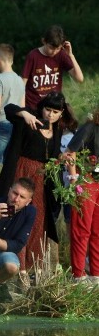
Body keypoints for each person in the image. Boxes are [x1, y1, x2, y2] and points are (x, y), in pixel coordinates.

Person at [0, 92, 77, 272]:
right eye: (48, 110)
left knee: (38, 219)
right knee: (16, 214)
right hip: (22, 172)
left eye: (55, 112)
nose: (50, 114)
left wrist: (61, 158)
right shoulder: (29, 120)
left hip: (42, 178)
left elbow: (51, 155)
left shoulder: (57, 130)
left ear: (61, 113)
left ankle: (34, 267)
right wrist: (24, 114)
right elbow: (9, 109)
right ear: (42, 108)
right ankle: (18, 265)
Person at [63, 103, 99, 279]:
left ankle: (96, 274)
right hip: (86, 179)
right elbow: (70, 153)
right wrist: (73, 179)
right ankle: (78, 275)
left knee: (97, 231)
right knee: (82, 229)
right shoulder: (90, 126)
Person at [21, 25, 83, 110]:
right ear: (43, 41)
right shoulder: (33, 56)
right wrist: (22, 108)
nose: (54, 51)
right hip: (34, 107)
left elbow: (79, 79)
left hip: (53, 107)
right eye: (51, 48)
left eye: (58, 48)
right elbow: (22, 84)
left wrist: (71, 55)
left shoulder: (61, 55)